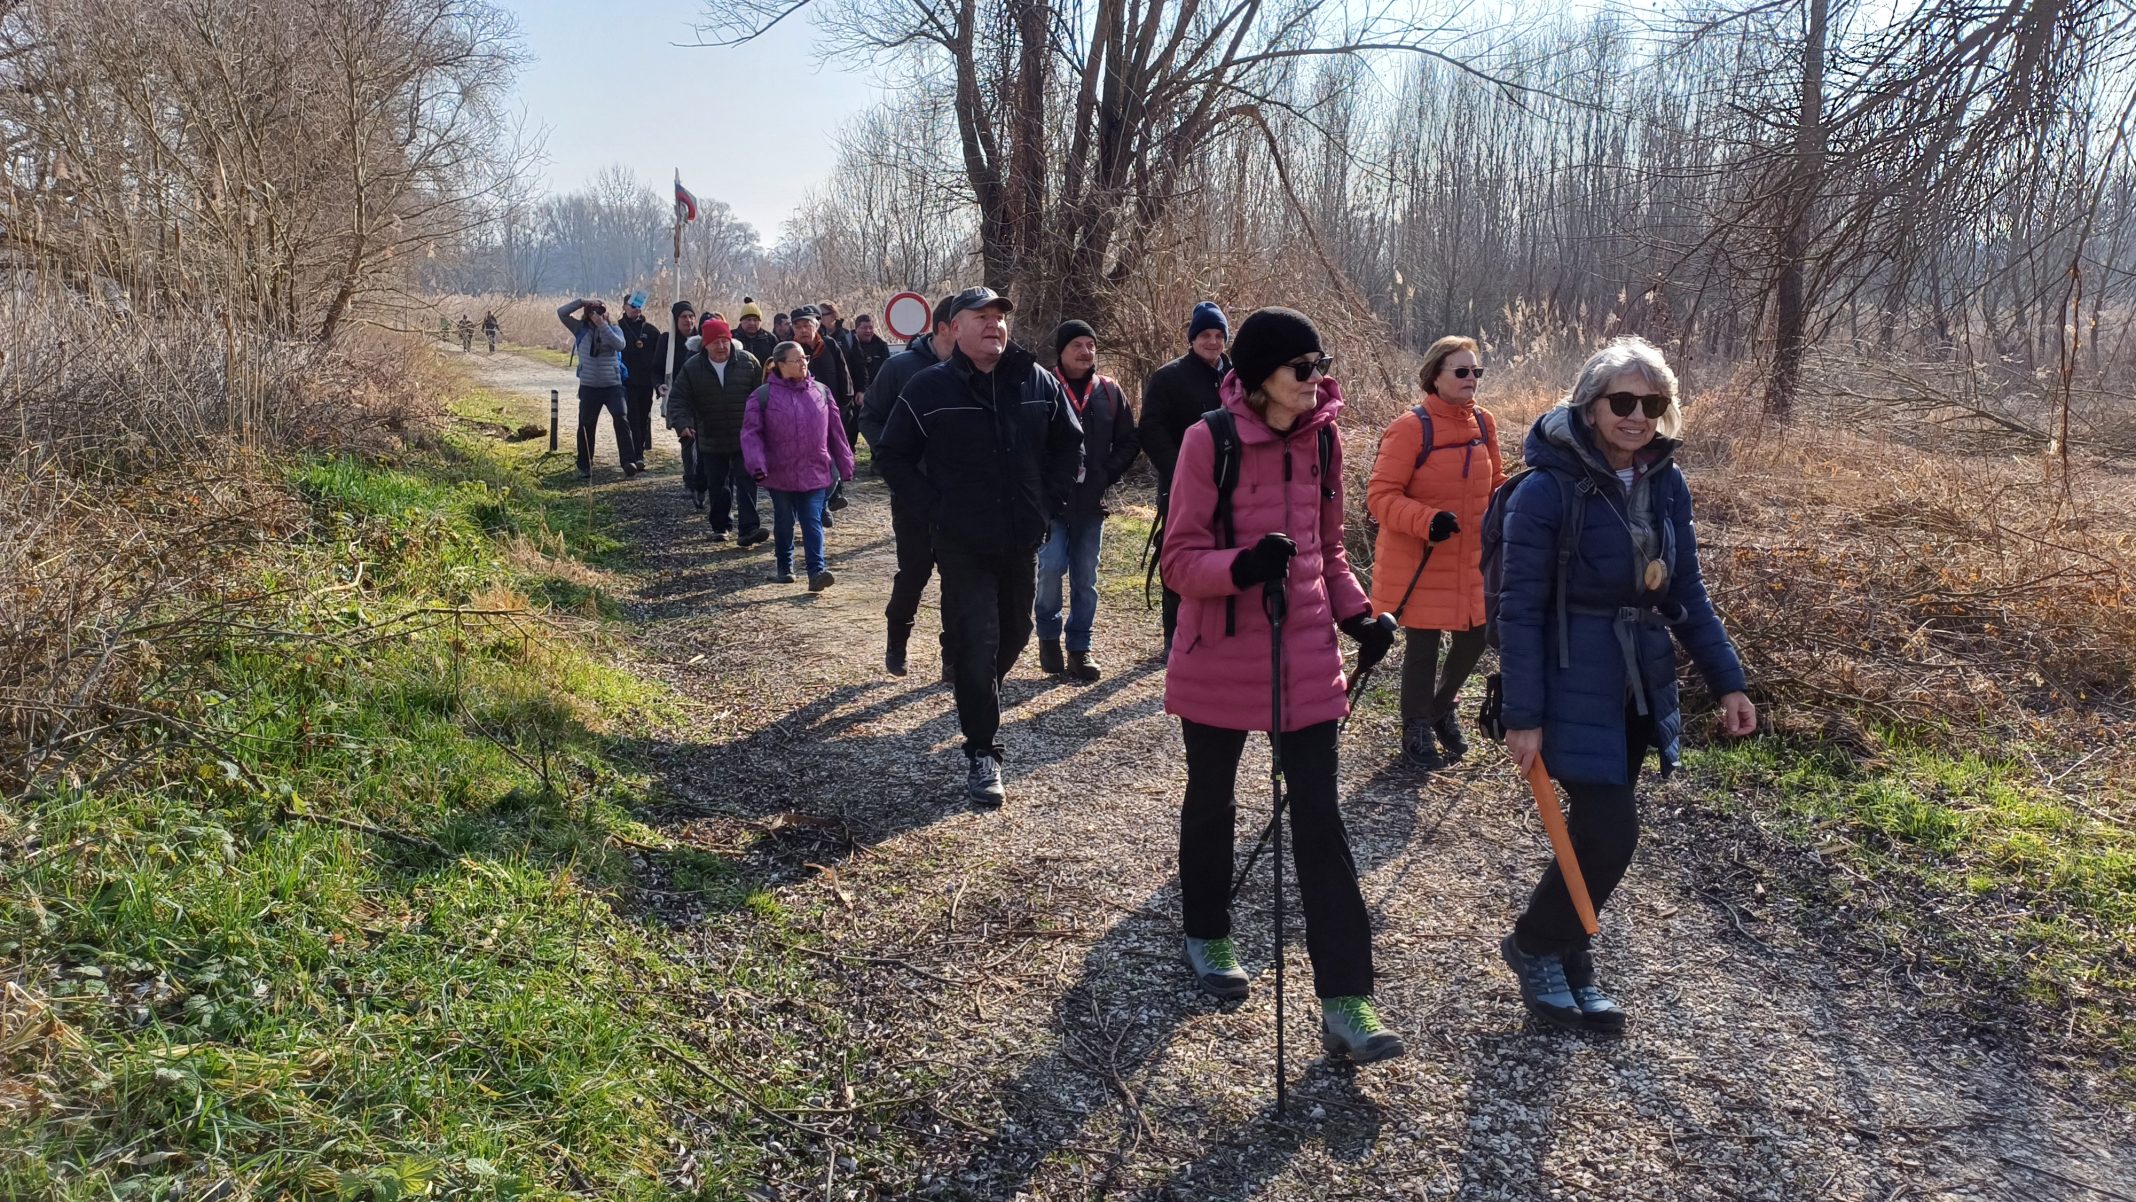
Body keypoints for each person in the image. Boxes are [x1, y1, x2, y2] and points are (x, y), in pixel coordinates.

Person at [1160, 307, 1403, 1064]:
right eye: (1303, 367)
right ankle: (1207, 932)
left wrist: (1360, 616)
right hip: (1218, 652)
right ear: (1262, 375)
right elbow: (1178, 560)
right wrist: (1242, 566)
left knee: (1320, 822)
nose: (1316, 380)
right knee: (1212, 799)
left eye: (1321, 365)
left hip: (1304, 657)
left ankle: (1347, 999)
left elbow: (1329, 552)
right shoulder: (1210, 440)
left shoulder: (1325, 439)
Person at [1495, 335, 1756, 1035]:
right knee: (1612, 832)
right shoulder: (1545, 490)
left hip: (1639, 682)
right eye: (1622, 402)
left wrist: (1728, 683)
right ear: (1590, 405)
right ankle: (1535, 944)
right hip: (1569, 681)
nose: (1637, 416)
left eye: (1652, 403)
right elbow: (1518, 610)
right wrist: (1522, 714)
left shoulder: (1665, 483)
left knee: (1595, 832)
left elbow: (1687, 592)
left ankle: (1571, 957)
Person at [876, 287, 1083, 806]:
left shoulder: (1035, 381)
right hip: (962, 543)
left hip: (1021, 539)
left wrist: (1048, 502)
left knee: (1015, 633)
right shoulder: (929, 387)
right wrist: (934, 507)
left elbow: (1069, 442)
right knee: (976, 642)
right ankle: (982, 752)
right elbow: (892, 454)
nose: (994, 325)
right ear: (954, 328)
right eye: (981, 316)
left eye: (999, 317)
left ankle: (975, 689)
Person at [1366, 336, 1505, 769]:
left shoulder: (1483, 423)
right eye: (1461, 371)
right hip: (1421, 558)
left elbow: (1495, 484)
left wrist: (1521, 504)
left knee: (1476, 635)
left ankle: (1440, 708)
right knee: (1422, 646)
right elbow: (1380, 496)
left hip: (1472, 558)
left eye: (1476, 371)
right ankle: (1416, 726)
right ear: (1435, 376)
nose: (1471, 379)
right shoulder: (1410, 428)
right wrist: (1427, 520)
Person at [1036, 319, 1141, 683]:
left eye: (1090, 345)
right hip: (1052, 503)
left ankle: (1080, 648)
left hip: (1091, 503)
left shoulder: (1109, 391)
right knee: (1050, 569)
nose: (1085, 352)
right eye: (1077, 345)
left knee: (1086, 577)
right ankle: (1048, 637)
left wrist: (1105, 474)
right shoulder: (1043, 385)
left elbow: (1130, 440)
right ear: (1061, 351)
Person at [862, 293, 957, 681]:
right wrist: (895, 460)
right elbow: (870, 416)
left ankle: (953, 656)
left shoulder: (977, 369)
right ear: (945, 328)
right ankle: (897, 642)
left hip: (959, 493)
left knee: (958, 575)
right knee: (915, 571)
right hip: (912, 491)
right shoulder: (900, 367)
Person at [1138, 301, 1230, 657]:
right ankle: (1175, 637)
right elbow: (1150, 429)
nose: (1213, 341)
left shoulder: (1238, 376)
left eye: (1219, 335)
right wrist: (1180, 470)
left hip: (1231, 486)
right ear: (1192, 338)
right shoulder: (1169, 377)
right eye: (1205, 334)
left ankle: (1219, 637)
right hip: (1181, 487)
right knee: (1180, 558)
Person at [742, 341, 854, 591]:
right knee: (784, 520)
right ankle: (785, 568)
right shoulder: (762, 396)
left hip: (815, 470)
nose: (803, 363)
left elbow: (836, 433)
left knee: (812, 520)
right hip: (779, 472)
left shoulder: (821, 392)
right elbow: (751, 434)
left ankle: (817, 572)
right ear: (780, 365)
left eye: (805, 358)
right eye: (797, 359)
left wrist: (845, 463)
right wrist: (757, 464)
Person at [673, 320, 772, 548]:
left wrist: (765, 425)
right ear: (705, 345)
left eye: (724, 341)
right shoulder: (692, 368)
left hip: (744, 436)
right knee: (718, 484)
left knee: (747, 481)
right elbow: (679, 399)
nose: (721, 347)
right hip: (711, 436)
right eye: (715, 342)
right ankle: (721, 526)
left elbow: (762, 395)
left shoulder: (748, 363)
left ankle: (749, 529)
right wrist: (683, 423)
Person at [556, 298, 638, 480]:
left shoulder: (614, 329)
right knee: (586, 424)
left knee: (621, 418)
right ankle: (585, 465)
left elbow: (620, 345)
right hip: (589, 386)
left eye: (600, 310)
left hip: (613, 386)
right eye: (593, 310)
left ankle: (628, 461)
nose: (597, 313)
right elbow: (561, 312)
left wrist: (602, 325)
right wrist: (582, 302)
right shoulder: (580, 328)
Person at [790, 305, 857, 522]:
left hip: (831, 414)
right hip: (800, 419)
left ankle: (828, 500)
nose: (803, 330)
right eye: (798, 326)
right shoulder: (788, 350)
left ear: (816, 325)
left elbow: (844, 377)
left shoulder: (829, 345)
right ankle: (817, 507)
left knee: (833, 461)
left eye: (807, 325)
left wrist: (844, 407)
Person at [660, 302, 702, 506]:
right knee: (687, 439)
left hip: (700, 399)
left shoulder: (702, 341)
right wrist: (659, 385)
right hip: (679, 399)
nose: (688, 320)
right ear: (676, 320)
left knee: (702, 443)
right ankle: (690, 481)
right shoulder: (667, 341)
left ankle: (702, 482)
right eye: (684, 317)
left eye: (691, 316)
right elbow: (656, 368)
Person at [617, 292, 663, 474]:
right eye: (632, 306)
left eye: (638, 306)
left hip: (645, 383)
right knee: (631, 418)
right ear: (624, 307)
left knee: (643, 418)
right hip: (626, 383)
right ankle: (633, 455)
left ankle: (640, 453)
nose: (636, 309)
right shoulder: (617, 329)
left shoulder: (651, 331)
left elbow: (660, 357)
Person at [846, 313, 892, 396]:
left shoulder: (881, 345)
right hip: (855, 394)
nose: (868, 331)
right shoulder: (848, 344)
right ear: (856, 329)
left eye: (870, 328)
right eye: (864, 328)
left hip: (877, 393)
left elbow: (888, 371)